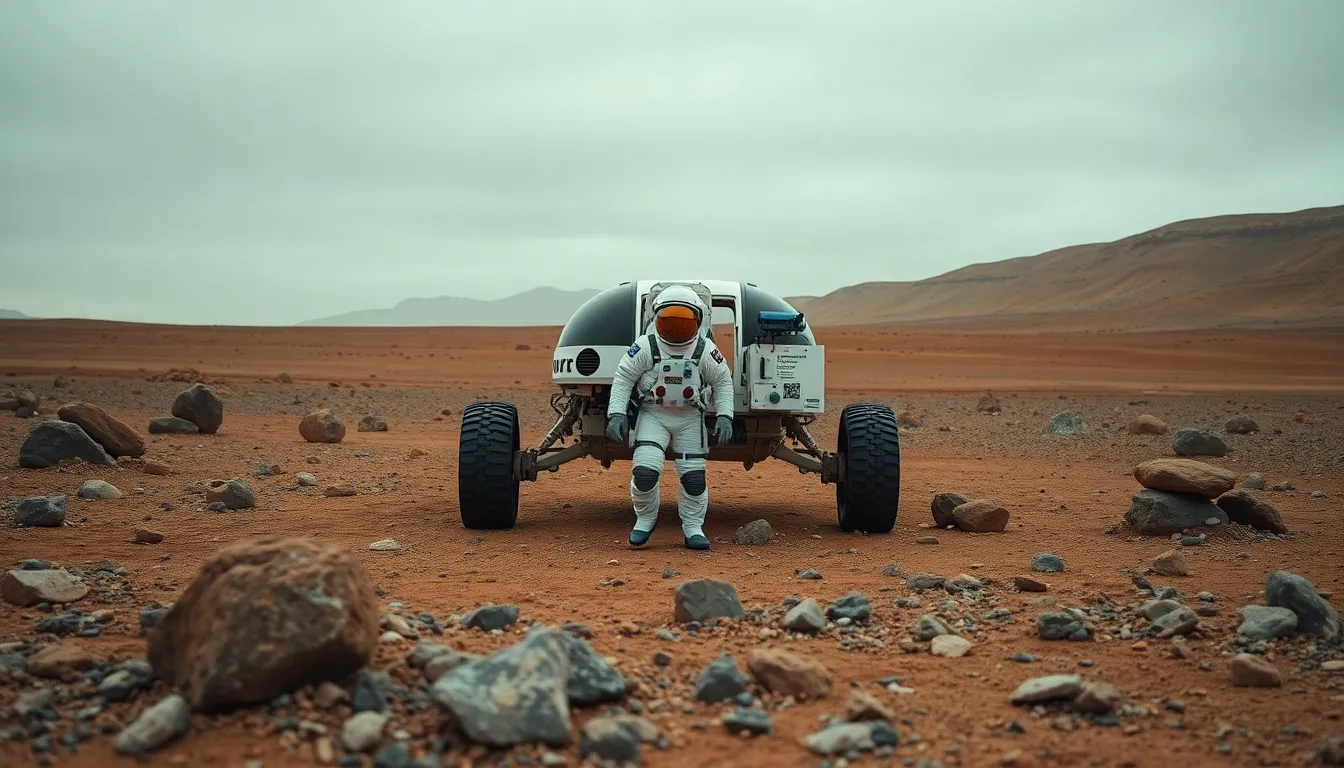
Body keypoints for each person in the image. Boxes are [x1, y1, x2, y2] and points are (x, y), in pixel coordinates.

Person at [605, 285, 734, 550]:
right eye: (669, 321)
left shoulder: (704, 349)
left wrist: (725, 416)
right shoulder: (646, 346)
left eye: (682, 323)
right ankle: (644, 519)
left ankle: (693, 527)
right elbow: (624, 378)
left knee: (694, 479)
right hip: (654, 415)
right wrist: (616, 413)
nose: (675, 329)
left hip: (690, 418)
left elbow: (722, 381)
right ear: (656, 319)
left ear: (698, 320)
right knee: (644, 473)